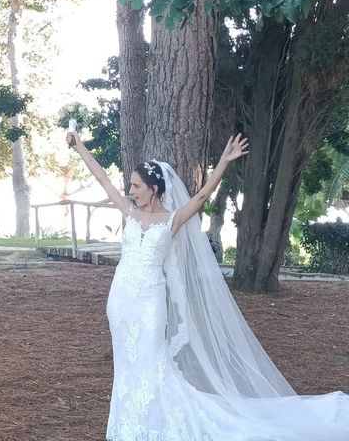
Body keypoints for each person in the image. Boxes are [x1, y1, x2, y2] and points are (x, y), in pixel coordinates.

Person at [66, 131, 349, 440]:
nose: (130, 191)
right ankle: (130, 424)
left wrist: (224, 162)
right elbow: (103, 179)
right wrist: (79, 146)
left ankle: (155, 423)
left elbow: (201, 197)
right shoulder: (130, 212)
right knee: (126, 366)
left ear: (154, 188)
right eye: (131, 186)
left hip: (149, 303)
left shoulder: (172, 219)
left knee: (151, 362)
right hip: (120, 302)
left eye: (136, 186)